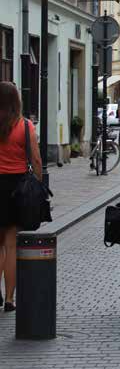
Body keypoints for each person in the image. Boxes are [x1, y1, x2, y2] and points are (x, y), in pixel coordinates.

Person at [0, 82, 42, 312]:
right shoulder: (25, 126)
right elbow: (35, 160)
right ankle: (9, 299)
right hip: (16, 187)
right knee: (11, 245)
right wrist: (39, 185)